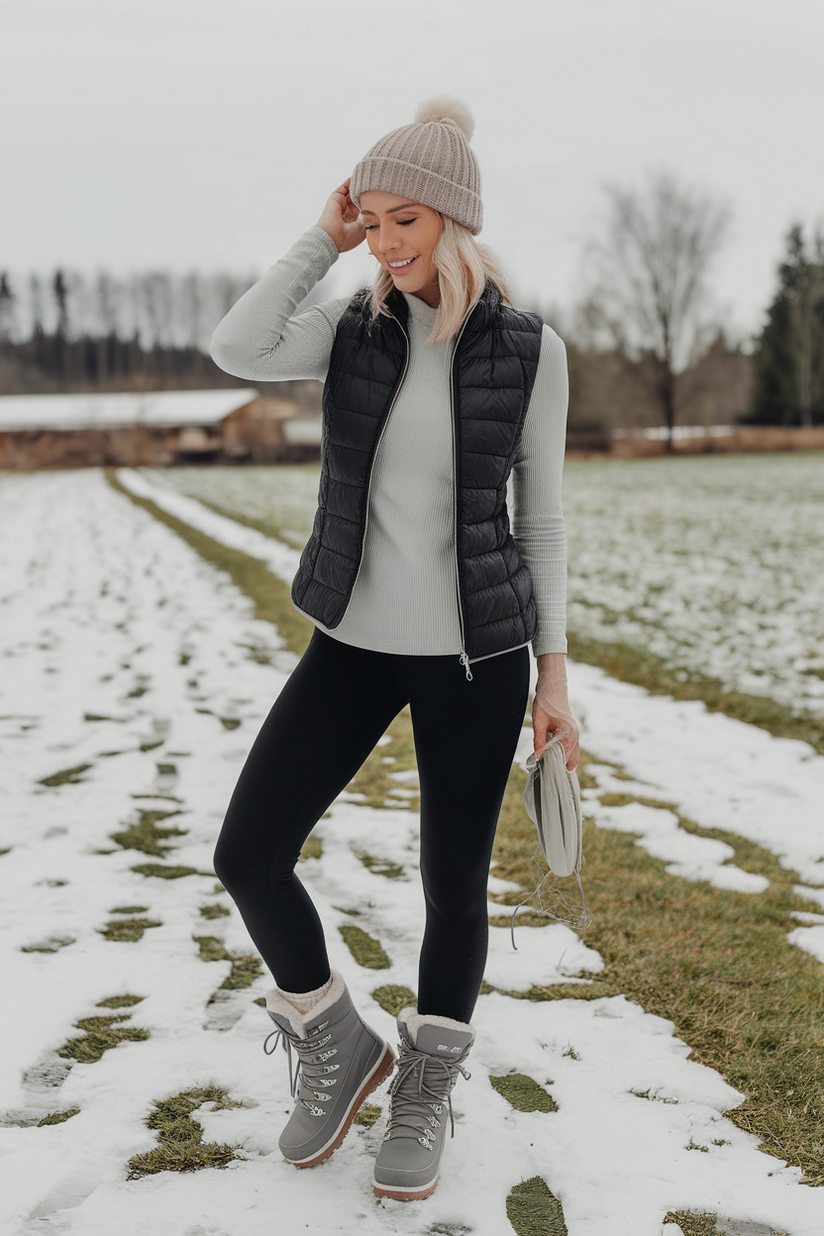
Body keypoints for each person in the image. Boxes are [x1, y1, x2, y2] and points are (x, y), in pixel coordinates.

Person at [210, 96, 579, 1202]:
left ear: (455, 220)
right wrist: (319, 237)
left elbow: (544, 520)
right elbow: (236, 348)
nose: (384, 241)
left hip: (476, 656)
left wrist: (553, 676)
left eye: (402, 219)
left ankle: (424, 1080)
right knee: (248, 852)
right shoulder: (351, 327)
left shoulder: (529, 351)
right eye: (369, 220)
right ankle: (335, 1040)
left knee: (451, 885)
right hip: (353, 643)